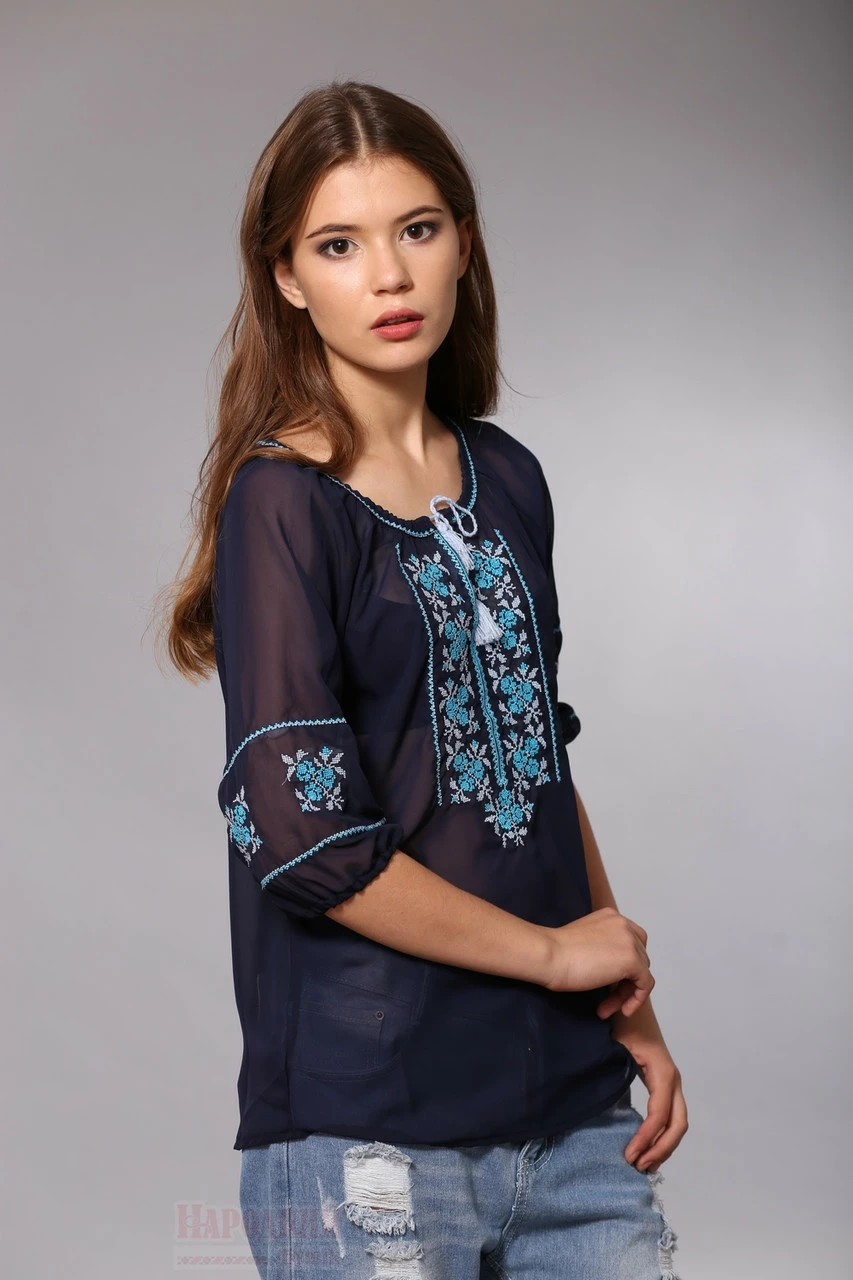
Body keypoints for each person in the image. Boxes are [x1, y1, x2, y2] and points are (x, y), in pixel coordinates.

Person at [163, 79, 687, 1279]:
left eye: (416, 229)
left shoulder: (508, 477)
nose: (390, 276)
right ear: (287, 276)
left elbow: (537, 763)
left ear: (462, 242)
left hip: (576, 1117)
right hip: (372, 1130)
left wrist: (629, 1006)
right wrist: (553, 954)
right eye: (338, 245)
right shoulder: (281, 505)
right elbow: (305, 840)